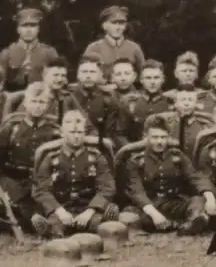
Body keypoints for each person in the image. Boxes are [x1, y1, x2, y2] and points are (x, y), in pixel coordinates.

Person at [32, 110, 118, 238]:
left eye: (79, 132)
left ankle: (101, 223)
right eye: (71, 132)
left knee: (98, 222)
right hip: (62, 208)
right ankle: (52, 229)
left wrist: (90, 211)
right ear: (62, 132)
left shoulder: (96, 156)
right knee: (55, 223)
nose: (76, 136)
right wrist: (60, 211)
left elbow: (107, 188)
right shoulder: (51, 158)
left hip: (88, 206)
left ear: (85, 133)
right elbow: (41, 190)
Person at [124, 116, 209, 235]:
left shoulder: (177, 156)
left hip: (173, 202)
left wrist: (209, 196)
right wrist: (154, 214)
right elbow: (137, 192)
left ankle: (190, 222)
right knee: (135, 218)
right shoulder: (136, 161)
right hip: (150, 204)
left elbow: (194, 176)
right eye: (155, 137)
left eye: (163, 137)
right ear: (145, 136)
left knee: (198, 201)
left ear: (168, 136)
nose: (160, 142)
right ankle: (180, 225)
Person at [0, 84, 59, 233]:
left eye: (42, 102)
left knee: (41, 208)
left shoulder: (54, 131)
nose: (37, 106)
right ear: (25, 103)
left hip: (41, 183)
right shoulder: (11, 129)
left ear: (48, 105)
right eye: (34, 101)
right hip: (14, 182)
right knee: (18, 209)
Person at [69, 55, 123, 147]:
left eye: (92, 72)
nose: (88, 76)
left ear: (100, 75)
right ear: (78, 74)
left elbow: (109, 133)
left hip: (97, 146)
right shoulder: (68, 96)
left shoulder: (108, 100)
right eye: (84, 72)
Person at [0, 8, 58, 91]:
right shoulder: (7, 53)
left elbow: (57, 79)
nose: (28, 30)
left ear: (38, 29)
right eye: (24, 26)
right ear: (18, 29)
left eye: (33, 25)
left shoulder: (49, 52)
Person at [83, 5, 145, 78]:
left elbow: (144, 75)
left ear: (125, 26)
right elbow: (84, 75)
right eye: (114, 23)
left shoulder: (134, 48)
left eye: (121, 23)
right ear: (104, 25)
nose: (118, 27)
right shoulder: (93, 48)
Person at [121, 59, 174, 142]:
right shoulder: (129, 102)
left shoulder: (171, 103)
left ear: (162, 79)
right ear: (141, 80)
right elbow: (121, 134)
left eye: (156, 77)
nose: (152, 82)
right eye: (148, 78)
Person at [163, 84, 213, 159]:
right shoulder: (164, 122)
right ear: (175, 103)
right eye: (183, 100)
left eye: (190, 100)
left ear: (196, 103)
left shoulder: (205, 123)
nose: (186, 103)